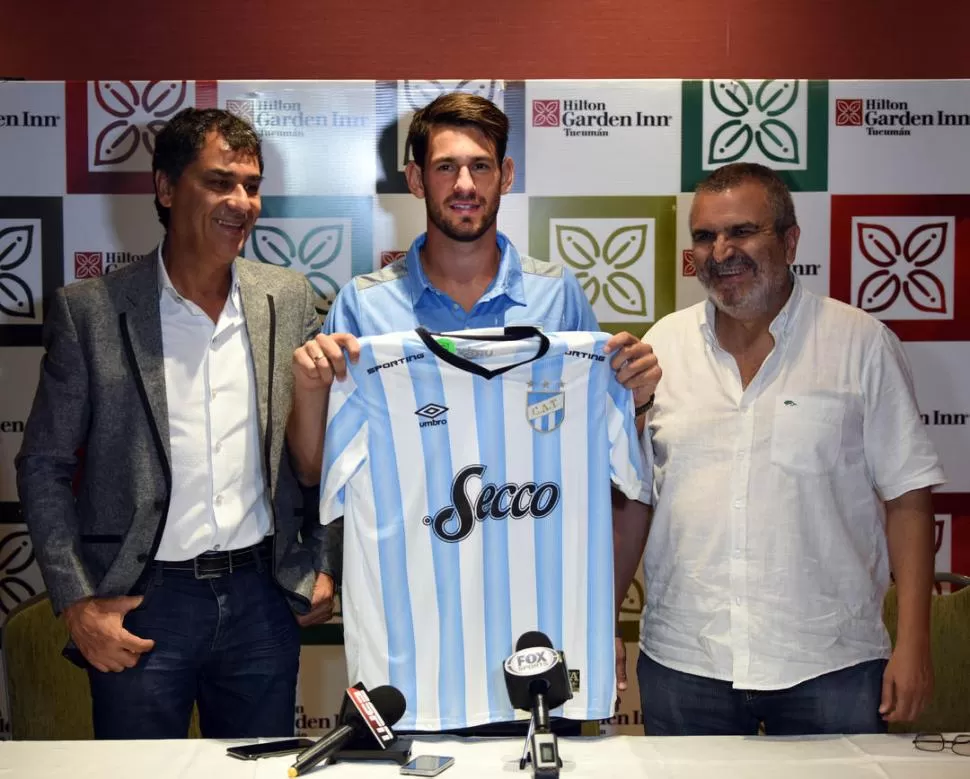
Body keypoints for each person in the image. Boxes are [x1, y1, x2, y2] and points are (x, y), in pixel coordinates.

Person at [286, 92, 661, 732]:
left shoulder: (557, 296)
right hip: (414, 662)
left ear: (505, 177)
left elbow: (617, 467)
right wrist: (311, 390)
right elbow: (318, 468)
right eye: (445, 167)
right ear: (414, 179)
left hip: (540, 649)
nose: (464, 184)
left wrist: (638, 396)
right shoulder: (364, 310)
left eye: (481, 167)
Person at [16, 107, 338, 739]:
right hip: (141, 603)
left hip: (261, 600)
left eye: (251, 184)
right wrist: (77, 603)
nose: (241, 202)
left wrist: (322, 560)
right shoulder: (90, 312)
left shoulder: (290, 297)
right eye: (220, 182)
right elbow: (44, 465)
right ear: (165, 188)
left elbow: (319, 452)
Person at [614, 162, 944, 736]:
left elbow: (909, 497)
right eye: (705, 236)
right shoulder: (660, 346)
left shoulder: (860, 343)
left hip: (830, 662)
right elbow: (636, 499)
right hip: (687, 661)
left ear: (790, 240)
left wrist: (915, 642)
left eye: (742, 231)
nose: (721, 252)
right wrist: (604, 620)